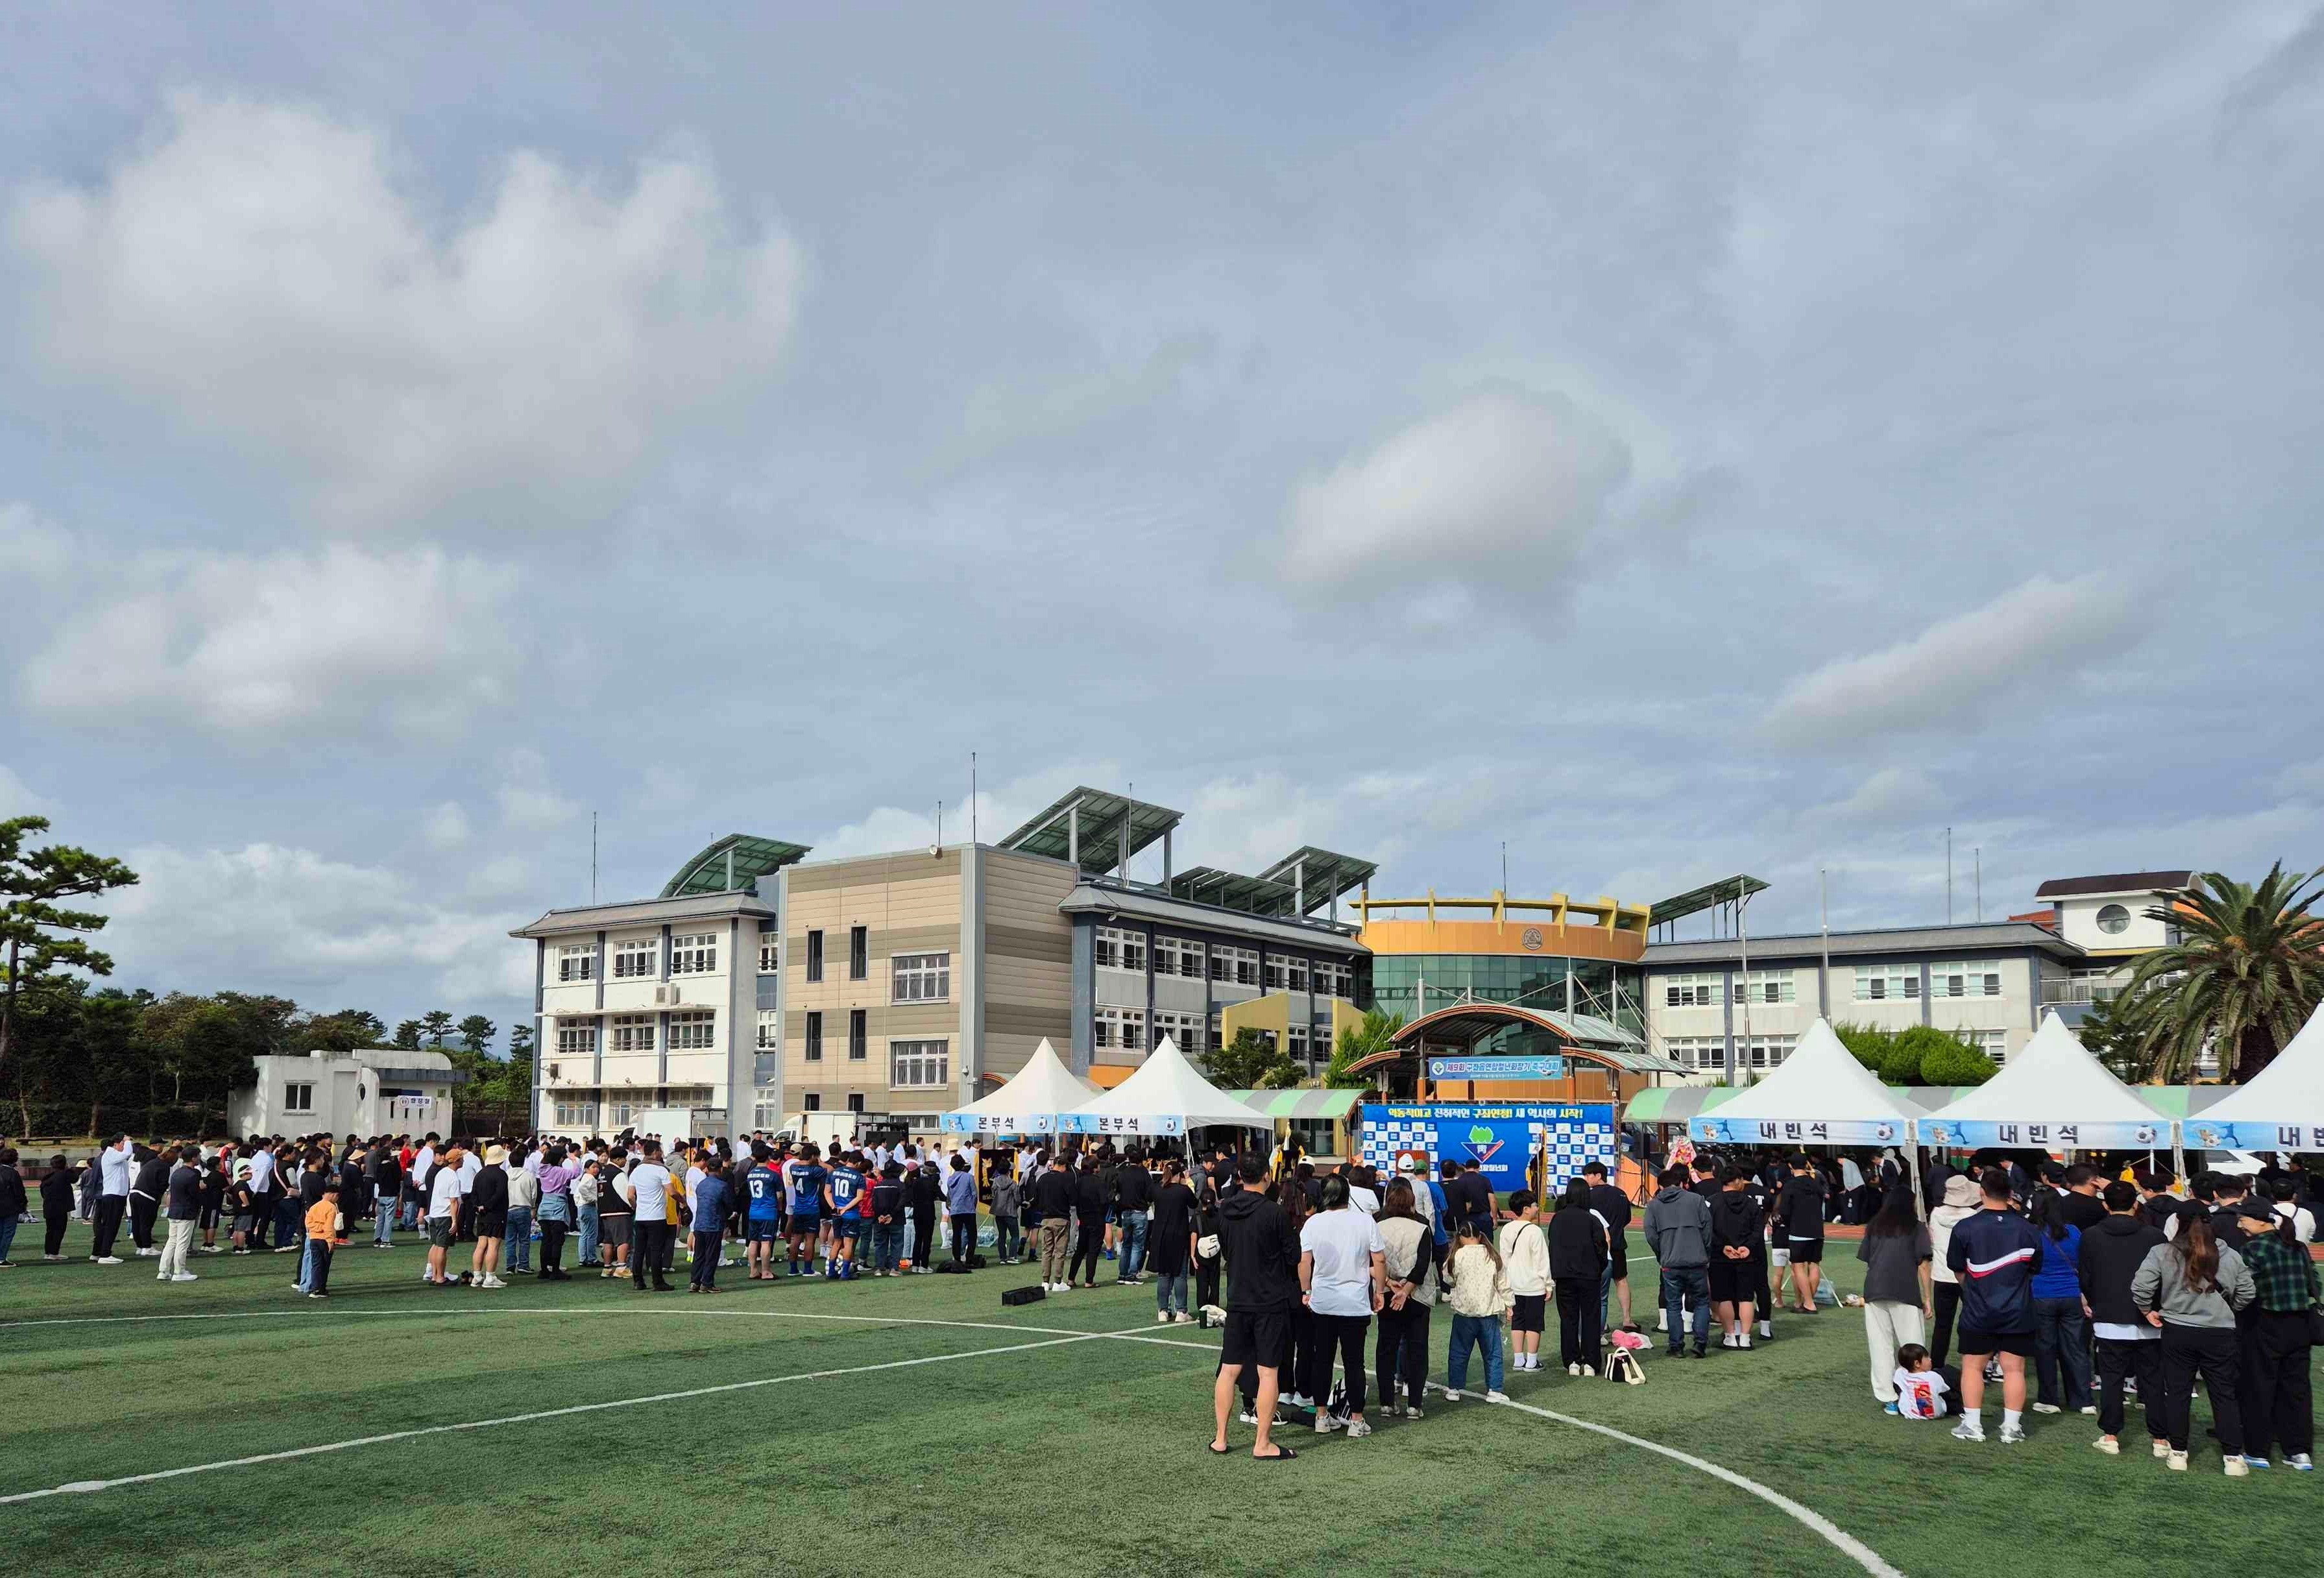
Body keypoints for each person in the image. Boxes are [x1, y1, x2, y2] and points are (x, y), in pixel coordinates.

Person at [2135, 1206, 2255, 1474]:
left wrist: (2146, 1310)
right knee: (2224, 1394)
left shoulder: (2164, 1252)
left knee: (2178, 1393)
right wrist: (2228, 1310)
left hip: (2178, 1330)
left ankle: (2178, 1452)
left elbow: (2141, 1286)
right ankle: (2233, 1457)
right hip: (2219, 1332)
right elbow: (2247, 1292)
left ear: (2178, 1222)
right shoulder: (2229, 1254)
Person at [1211, 1153, 1301, 1460]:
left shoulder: (1225, 1212)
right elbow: (1293, 1257)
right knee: (1267, 1372)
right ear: (1266, 1175)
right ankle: (1262, 1442)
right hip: (1269, 1302)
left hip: (1238, 1298)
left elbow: (1226, 1250)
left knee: (1229, 1369)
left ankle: (1221, 1437)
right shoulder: (1274, 1214)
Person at [1945, 1168, 2044, 1444]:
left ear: (1982, 1192)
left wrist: (1976, 1289)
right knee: (2015, 1369)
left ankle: (1973, 1425)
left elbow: (1958, 1270)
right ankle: (2011, 1428)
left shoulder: (1966, 1227)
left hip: (1979, 1309)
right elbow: (2034, 1269)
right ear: (2011, 1193)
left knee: (1973, 1367)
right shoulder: (2029, 1229)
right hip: (2017, 1309)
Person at [2079, 1179, 2169, 1458]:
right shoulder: (2153, 1236)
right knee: (2152, 1379)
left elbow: (2086, 1276)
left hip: (2109, 1315)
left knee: (2112, 1378)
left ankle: (2110, 1434)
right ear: (2135, 1204)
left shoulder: (2092, 1235)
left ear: (2106, 1205)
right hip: (2148, 1316)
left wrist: (2091, 1300)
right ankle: (2160, 1438)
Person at [1299, 1172, 1385, 1438]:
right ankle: (1356, 1420)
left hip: (1324, 1301)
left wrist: (1306, 1291)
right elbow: (1379, 1260)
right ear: (1347, 1194)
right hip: (1355, 1303)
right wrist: (1379, 1290)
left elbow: (1304, 1263)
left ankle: (1322, 1417)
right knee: (1354, 1363)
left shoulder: (1313, 1223)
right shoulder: (1364, 1221)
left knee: (1322, 1360)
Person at [2234, 1198, 2318, 1470]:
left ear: (2261, 1221)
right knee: (2297, 1389)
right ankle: (2299, 1451)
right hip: (2301, 1323)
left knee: (2259, 1387)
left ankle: (2258, 1450)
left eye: (2243, 1219)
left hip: (2265, 1323)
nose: (2239, 1224)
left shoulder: (2254, 1248)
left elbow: (2245, 1289)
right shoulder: (2298, 1247)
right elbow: (2314, 1283)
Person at [1857, 1191, 1933, 1411]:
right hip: (1905, 1290)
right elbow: (1924, 1265)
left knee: (1880, 1345)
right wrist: (1928, 1298)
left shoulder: (1875, 1226)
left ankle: (1888, 1398)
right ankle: (1919, 1398)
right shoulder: (1916, 1227)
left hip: (1875, 1290)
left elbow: (1868, 1260)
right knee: (1914, 1344)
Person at [2027, 1182, 2093, 1416]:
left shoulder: (2030, 1232)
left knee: (2045, 1349)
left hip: (2041, 1294)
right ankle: (2083, 1399)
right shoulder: (2074, 1232)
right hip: (2071, 1294)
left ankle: (2049, 1399)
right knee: (2075, 1348)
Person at [1374, 1177, 1436, 1416]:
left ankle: (1386, 1402)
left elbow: (1375, 1260)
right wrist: (1407, 1290)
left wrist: (1390, 1284)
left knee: (1386, 1348)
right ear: (1411, 1201)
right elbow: (1423, 1264)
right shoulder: (1421, 1224)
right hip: (1417, 1296)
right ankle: (1415, 1404)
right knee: (1418, 1348)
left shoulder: (1377, 1223)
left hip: (1388, 1292)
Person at [1644, 1165, 1713, 1359]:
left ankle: (1676, 1346)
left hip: (1670, 1261)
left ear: (1660, 1186)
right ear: (1681, 1183)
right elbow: (1708, 1229)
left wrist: (1662, 1254)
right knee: (1701, 1301)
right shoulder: (1696, 1200)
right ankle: (1700, 1343)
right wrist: (1705, 1252)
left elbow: (1651, 1235)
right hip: (1697, 1259)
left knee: (1673, 1304)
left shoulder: (1654, 1205)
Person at [1442, 1219, 1511, 1403]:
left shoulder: (1457, 1255)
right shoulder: (1491, 1255)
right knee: (1493, 1353)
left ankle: (1454, 1389)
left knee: (1459, 1352)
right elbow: (1503, 1284)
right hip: (1488, 1310)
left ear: (1461, 1237)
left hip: (1465, 1312)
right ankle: (1495, 1390)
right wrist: (1509, 1305)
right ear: (1479, 1236)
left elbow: (1448, 1278)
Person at [1548, 1177, 1608, 1376]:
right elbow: (1602, 1247)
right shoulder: (1591, 1219)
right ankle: (1591, 1362)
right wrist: (1599, 1267)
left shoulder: (1557, 1218)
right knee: (1591, 1318)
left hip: (1564, 1276)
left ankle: (1572, 1361)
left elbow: (1553, 1246)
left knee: (1568, 1318)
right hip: (1589, 1275)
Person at [1926, 1173, 1978, 1367]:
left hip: (1942, 1274)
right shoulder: (1973, 1217)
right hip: (1967, 1275)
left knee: (1942, 1324)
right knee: (1973, 1321)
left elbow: (1933, 1240)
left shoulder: (1937, 1214)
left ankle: (1937, 1363)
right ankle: (1974, 1363)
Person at [1497, 1189, 1551, 1372]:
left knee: (1518, 1321)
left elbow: (1503, 1259)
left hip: (1513, 1283)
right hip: (1533, 1285)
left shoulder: (1507, 1229)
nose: (1537, 1208)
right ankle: (1532, 1360)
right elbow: (1542, 1260)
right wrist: (1548, 1283)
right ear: (1526, 1209)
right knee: (1534, 1323)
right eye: (1535, 1205)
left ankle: (1519, 1359)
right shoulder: (1534, 1231)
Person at [1583, 1161, 1634, 1330]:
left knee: (1598, 1289)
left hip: (1597, 1248)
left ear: (1598, 1176)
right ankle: (1627, 1319)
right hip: (1618, 1243)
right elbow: (1628, 1218)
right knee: (1622, 1280)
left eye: (1589, 1175)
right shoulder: (1620, 1194)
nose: (1586, 1178)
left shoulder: (1588, 1197)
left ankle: (1601, 1324)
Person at [1774, 1155, 1828, 1312]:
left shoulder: (1790, 1185)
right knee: (1814, 1265)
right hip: (1817, 1230)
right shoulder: (1815, 1183)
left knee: (1799, 1267)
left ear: (1791, 1166)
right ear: (1806, 1165)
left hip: (1799, 1230)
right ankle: (1808, 1300)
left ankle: (1808, 1303)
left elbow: (1784, 1210)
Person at [1150, 1159, 1198, 1323]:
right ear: (1179, 1174)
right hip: (1178, 1235)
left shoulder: (1157, 1189)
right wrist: (1188, 1183)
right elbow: (1194, 1202)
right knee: (1179, 1275)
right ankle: (1181, 1311)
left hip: (1160, 1236)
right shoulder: (1183, 1190)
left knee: (1164, 1275)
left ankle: (1163, 1310)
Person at [628, 1143, 677, 1293]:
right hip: (656, 1217)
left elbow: (630, 1195)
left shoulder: (636, 1171)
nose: (662, 1153)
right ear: (655, 1152)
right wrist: (683, 1202)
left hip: (641, 1217)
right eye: (660, 1150)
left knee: (639, 1250)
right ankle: (658, 1281)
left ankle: (638, 1280)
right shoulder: (660, 1170)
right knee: (656, 1250)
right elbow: (672, 1192)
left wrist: (637, 1207)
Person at [155, 1145, 202, 1283]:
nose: (199, 1158)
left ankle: (163, 1271)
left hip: (174, 1211)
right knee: (182, 1243)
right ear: (194, 1158)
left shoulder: (176, 1173)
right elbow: (195, 1194)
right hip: (186, 1212)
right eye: (198, 1156)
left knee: (172, 1242)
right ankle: (179, 1271)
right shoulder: (193, 1175)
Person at [468, 1146, 511, 1290]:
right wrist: (487, 1206)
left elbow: (473, 1193)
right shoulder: (501, 1175)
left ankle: (477, 1275)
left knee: (481, 1244)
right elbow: (499, 1195)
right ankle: (490, 1276)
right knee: (493, 1246)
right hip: (496, 1213)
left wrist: (478, 1206)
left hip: (482, 1214)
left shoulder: (480, 1174)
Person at [423, 1143, 466, 1287]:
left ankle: (435, 1275)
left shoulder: (441, 1173)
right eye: (461, 1159)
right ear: (456, 1161)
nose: (463, 1161)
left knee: (436, 1245)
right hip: (445, 1215)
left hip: (435, 1214)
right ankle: (440, 1277)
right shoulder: (453, 1177)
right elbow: (454, 1202)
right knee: (442, 1247)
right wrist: (455, 1222)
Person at [1034, 1154, 1076, 1292]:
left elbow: (1037, 1198)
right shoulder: (1066, 1179)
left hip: (1046, 1219)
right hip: (1061, 1218)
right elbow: (1073, 1199)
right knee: (1060, 1252)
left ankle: (1045, 1282)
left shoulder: (1042, 1178)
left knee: (1047, 1251)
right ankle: (1058, 1281)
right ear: (1063, 1166)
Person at [689, 1157, 731, 1293]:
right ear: (721, 1169)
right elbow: (729, 1204)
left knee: (699, 1254)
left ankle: (695, 1282)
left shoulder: (702, 1184)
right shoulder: (722, 1185)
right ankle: (707, 1283)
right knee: (712, 1255)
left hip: (700, 1223)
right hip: (714, 1223)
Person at [535, 1145, 577, 1280]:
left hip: (544, 1206)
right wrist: (574, 1160)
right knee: (557, 1241)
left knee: (546, 1240)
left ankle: (544, 1270)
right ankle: (555, 1270)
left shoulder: (543, 1169)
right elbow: (576, 1173)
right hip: (557, 1208)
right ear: (559, 1159)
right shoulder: (560, 1171)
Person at [742, 1145, 783, 1280]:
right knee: (766, 1242)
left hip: (754, 1211)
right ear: (769, 1157)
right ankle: (766, 1272)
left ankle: (753, 1271)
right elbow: (779, 1196)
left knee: (753, 1241)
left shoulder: (751, 1174)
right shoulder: (773, 1175)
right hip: (768, 1212)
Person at [785, 1145, 827, 1278]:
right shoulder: (815, 1170)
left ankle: (793, 1269)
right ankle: (808, 1269)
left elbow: (799, 1163)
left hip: (798, 1208)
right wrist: (819, 1161)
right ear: (814, 1156)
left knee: (796, 1238)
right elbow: (831, 1170)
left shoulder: (794, 1167)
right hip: (811, 1209)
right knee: (810, 1240)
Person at [1894, 1342, 1961, 1419]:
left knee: (1904, 1391)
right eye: (1927, 1357)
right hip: (1936, 1413)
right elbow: (1945, 1389)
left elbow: (1899, 1374)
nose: (1930, 1359)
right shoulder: (1933, 1377)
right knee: (1950, 1388)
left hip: (1911, 1413)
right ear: (1917, 1363)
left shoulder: (1900, 1375)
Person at [1070, 1155, 1108, 1289]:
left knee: (1080, 1250)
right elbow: (1104, 1201)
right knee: (1093, 1251)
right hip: (1097, 1218)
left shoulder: (1079, 1182)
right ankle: (1089, 1280)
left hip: (1084, 1219)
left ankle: (1071, 1278)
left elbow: (1075, 1200)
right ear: (1095, 1168)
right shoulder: (1100, 1182)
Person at [596, 1152, 634, 1281]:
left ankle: (607, 1268)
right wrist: (634, 1206)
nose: (625, 1162)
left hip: (604, 1211)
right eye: (624, 1159)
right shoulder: (618, 1174)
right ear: (618, 1159)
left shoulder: (603, 1172)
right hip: (619, 1211)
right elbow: (627, 1195)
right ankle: (621, 1267)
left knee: (608, 1241)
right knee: (623, 1240)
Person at [302, 1180, 340, 1298]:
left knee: (316, 1264)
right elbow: (329, 1226)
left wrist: (318, 1228)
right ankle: (321, 1289)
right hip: (324, 1240)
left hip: (313, 1238)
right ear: (334, 1195)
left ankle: (315, 1288)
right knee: (324, 1265)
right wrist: (330, 1241)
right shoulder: (331, 1208)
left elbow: (308, 1223)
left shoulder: (315, 1206)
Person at [504, 1150, 539, 1276]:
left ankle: (510, 1266)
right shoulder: (529, 1176)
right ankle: (523, 1264)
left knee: (510, 1240)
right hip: (524, 1208)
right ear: (523, 1161)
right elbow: (534, 1194)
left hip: (508, 1209)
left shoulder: (506, 1175)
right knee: (524, 1239)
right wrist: (533, 1207)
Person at [943, 1153, 979, 1270]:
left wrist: (951, 1206)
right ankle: (969, 1259)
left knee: (957, 1235)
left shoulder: (950, 1179)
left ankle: (957, 1259)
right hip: (968, 1209)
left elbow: (949, 1195)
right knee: (972, 1235)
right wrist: (973, 1206)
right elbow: (974, 1194)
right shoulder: (969, 1177)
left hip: (955, 1210)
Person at [40, 1153, 75, 1261]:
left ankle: (48, 1252)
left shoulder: (48, 1177)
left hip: (48, 1207)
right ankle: (54, 1252)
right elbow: (75, 1178)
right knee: (59, 1230)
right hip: (60, 1208)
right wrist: (68, 1169)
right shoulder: (64, 1175)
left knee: (50, 1231)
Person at [991, 1167, 1024, 1265]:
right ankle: (1012, 1256)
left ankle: (1002, 1258)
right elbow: (1017, 1199)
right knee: (1015, 1235)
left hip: (998, 1212)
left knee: (1002, 1235)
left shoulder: (995, 1182)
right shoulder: (1013, 1183)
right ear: (1009, 1172)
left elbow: (993, 1194)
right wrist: (1018, 1204)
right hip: (1010, 1212)